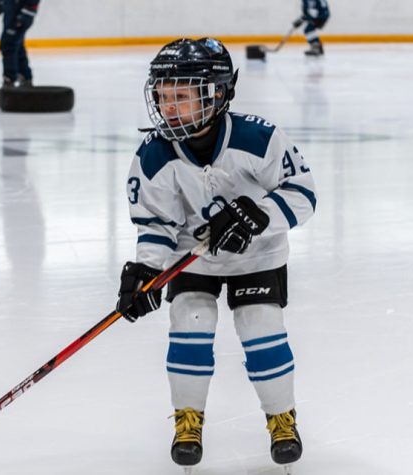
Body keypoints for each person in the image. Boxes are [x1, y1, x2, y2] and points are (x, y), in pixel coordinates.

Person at [116, 38, 317, 470]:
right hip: (194, 258)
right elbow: (156, 225)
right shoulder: (154, 155)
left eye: (182, 97)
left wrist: (257, 216)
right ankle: (188, 421)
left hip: (258, 257)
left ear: (218, 93)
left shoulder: (259, 139)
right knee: (190, 322)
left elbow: (303, 194)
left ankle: (282, 419)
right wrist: (145, 271)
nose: (169, 107)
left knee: (260, 325)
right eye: (163, 97)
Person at [0, 0, 40, 100]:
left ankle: (9, 83)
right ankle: (25, 79)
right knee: (17, 46)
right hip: (11, 10)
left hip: (20, 13)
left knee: (8, 46)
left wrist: (27, 12)